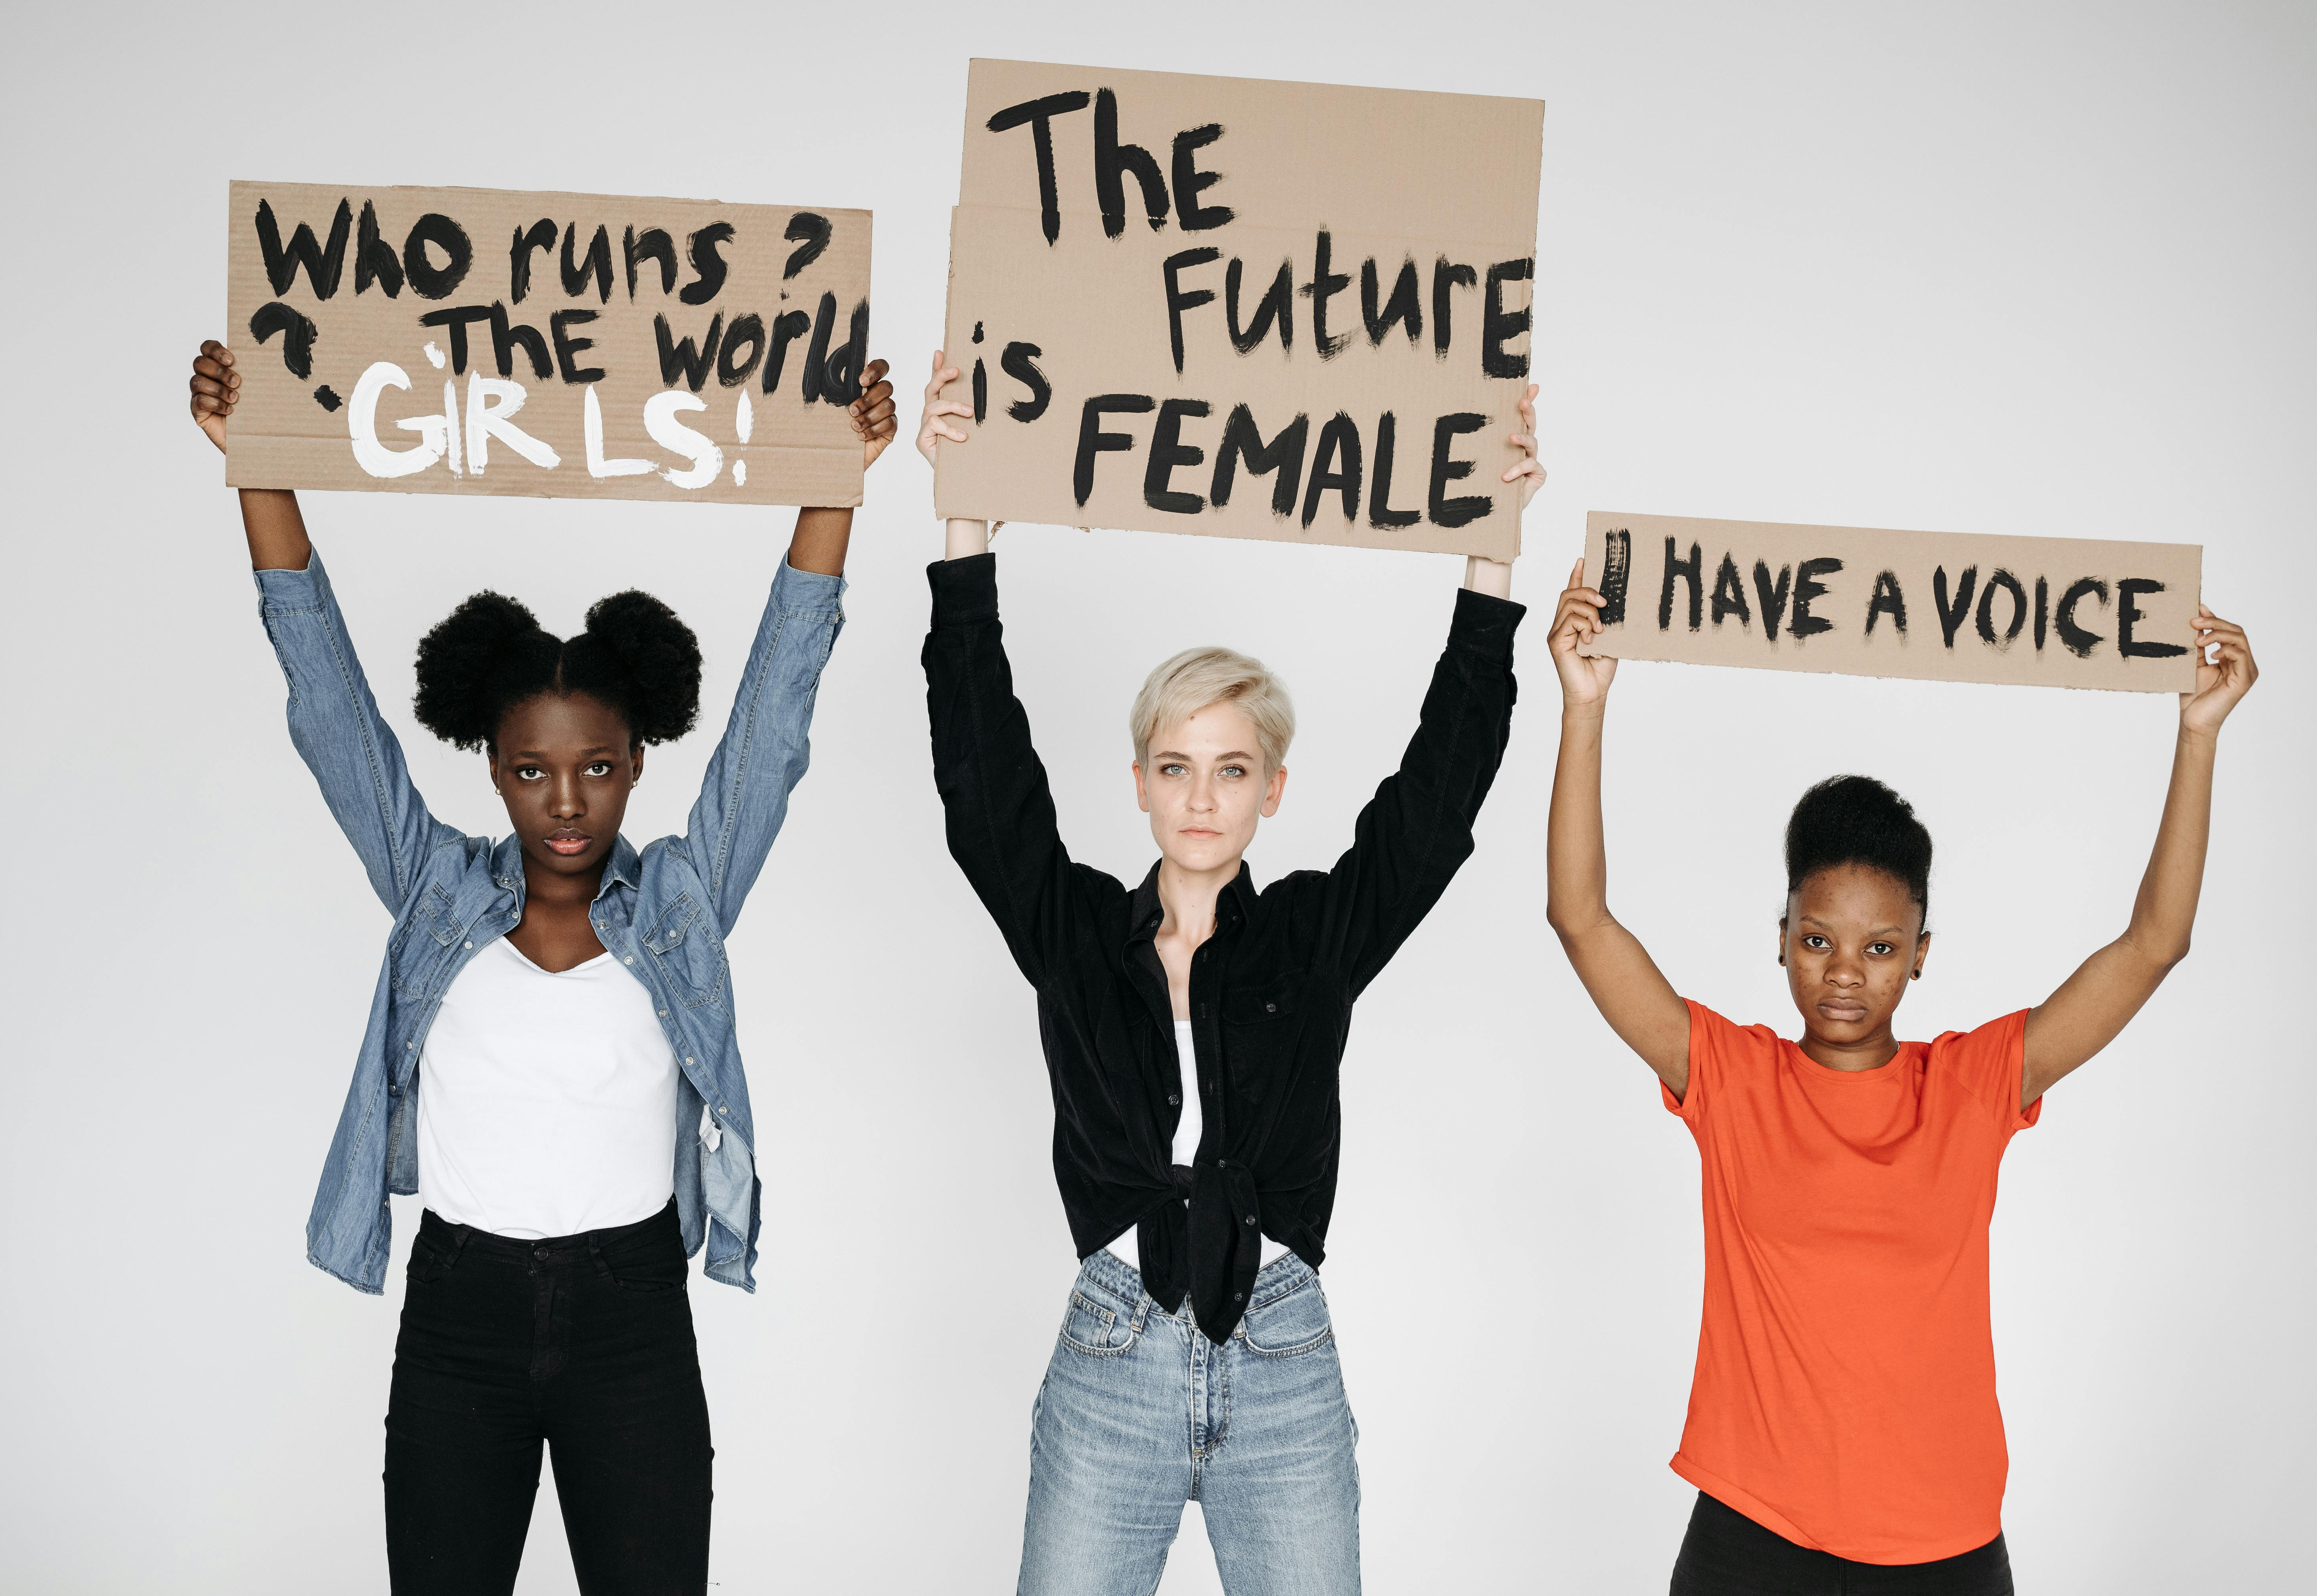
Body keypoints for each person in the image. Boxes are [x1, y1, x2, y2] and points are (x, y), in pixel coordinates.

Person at [185, 339, 896, 1596]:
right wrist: (256, 465)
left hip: (634, 1315)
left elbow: (775, 727)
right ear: (492, 764)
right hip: (460, 1314)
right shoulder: (433, 887)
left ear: (639, 760)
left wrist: (837, 478)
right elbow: (329, 705)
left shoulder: (682, 894)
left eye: (599, 767)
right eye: (531, 770)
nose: (567, 802)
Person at [912, 356, 1545, 1595]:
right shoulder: (1078, 934)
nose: (1203, 797)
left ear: (1273, 788)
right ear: (1140, 781)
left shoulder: (1314, 939)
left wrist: (1493, 562)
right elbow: (985, 787)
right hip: (1113, 1355)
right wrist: (964, 526)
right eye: (1176, 765)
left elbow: (1434, 809)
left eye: (1233, 768)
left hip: (1285, 1357)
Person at [1542, 559, 2259, 1594]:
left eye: (1881, 948)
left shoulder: (1973, 1087)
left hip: (1944, 1547)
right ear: (1781, 939)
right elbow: (1581, 919)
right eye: (1819, 940)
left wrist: (2198, 738)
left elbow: (2155, 944)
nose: (1845, 974)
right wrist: (1585, 708)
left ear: (1922, 952)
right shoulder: (1731, 1078)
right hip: (1754, 1537)